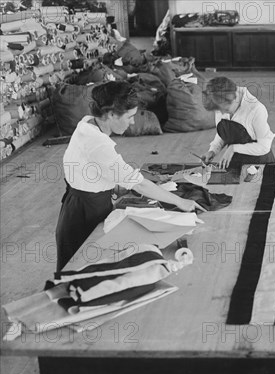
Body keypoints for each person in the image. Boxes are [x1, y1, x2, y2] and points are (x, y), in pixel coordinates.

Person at [56, 81, 201, 272]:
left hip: (80, 203)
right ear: (111, 114)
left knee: (85, 269)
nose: (133, 122)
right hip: (85, 214)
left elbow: (93, 170)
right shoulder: (99, 144)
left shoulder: (87, 122)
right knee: (78, 270)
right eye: (130, 116)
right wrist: (181, 202)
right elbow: (140, 185)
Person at [198, 77, 275, 169]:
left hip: (259, 164)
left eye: (226, 110)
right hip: (235, 162)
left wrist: (233, 148)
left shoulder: (256, 109)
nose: (222, 113)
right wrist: (213, 150)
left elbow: (264, 146)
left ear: (235, 97)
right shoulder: (219, 100)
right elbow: (225, 131)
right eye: (219, 111)